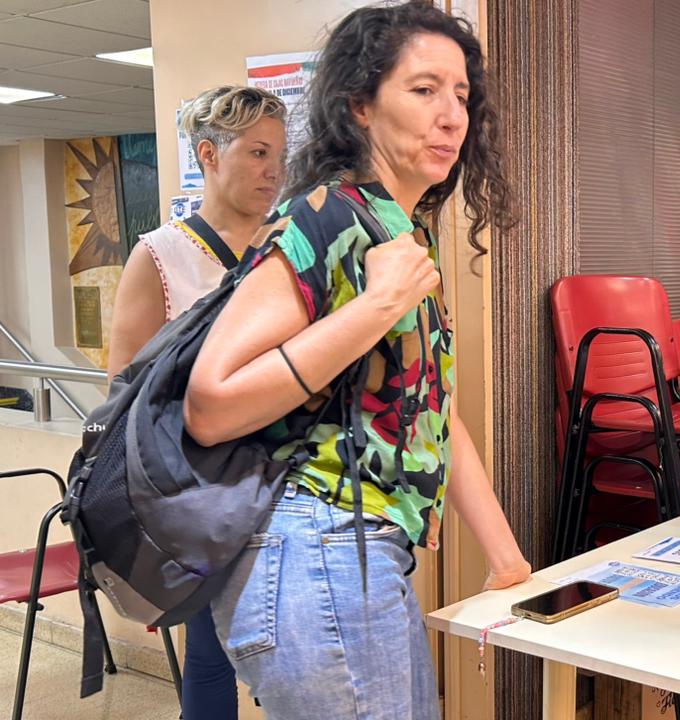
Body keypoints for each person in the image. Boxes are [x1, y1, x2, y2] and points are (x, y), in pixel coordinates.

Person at [182, 3, 528, 718]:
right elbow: (210, 404)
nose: (451, 116)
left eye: (462, 95)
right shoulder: (325, 216)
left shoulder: (396, 230)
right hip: (317, 547)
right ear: (360, 106)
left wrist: (506, 556)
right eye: (424, 90)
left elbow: (430, 410)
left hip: (360, 556)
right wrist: (375, 307)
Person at [107, 84, 287, 720]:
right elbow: (123, 396)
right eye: (258, 152)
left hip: (291, 482)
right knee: (210, 658)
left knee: (291, 656)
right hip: (206, 493)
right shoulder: (161, 256)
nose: (274, 171)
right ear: (209, 154)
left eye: (281, 155)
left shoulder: (291, 247)